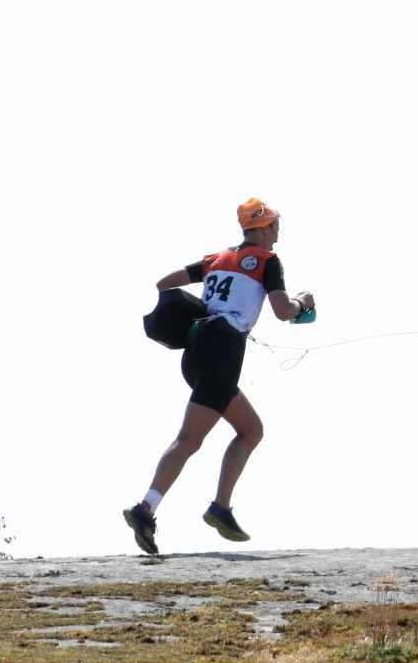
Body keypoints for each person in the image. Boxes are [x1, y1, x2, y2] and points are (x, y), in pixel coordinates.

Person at [123, 198, 315, 554]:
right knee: (188, 440)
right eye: (273, 225)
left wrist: (210, 302)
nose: (277, 231)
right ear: (258, 228)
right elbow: (283, 311)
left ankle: (220, 508)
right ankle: (145, 508)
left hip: (196, 352)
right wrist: (304, 302)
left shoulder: (217, 258)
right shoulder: (267, 262)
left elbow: (163, 284)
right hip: (223, 352)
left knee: (251, 430)